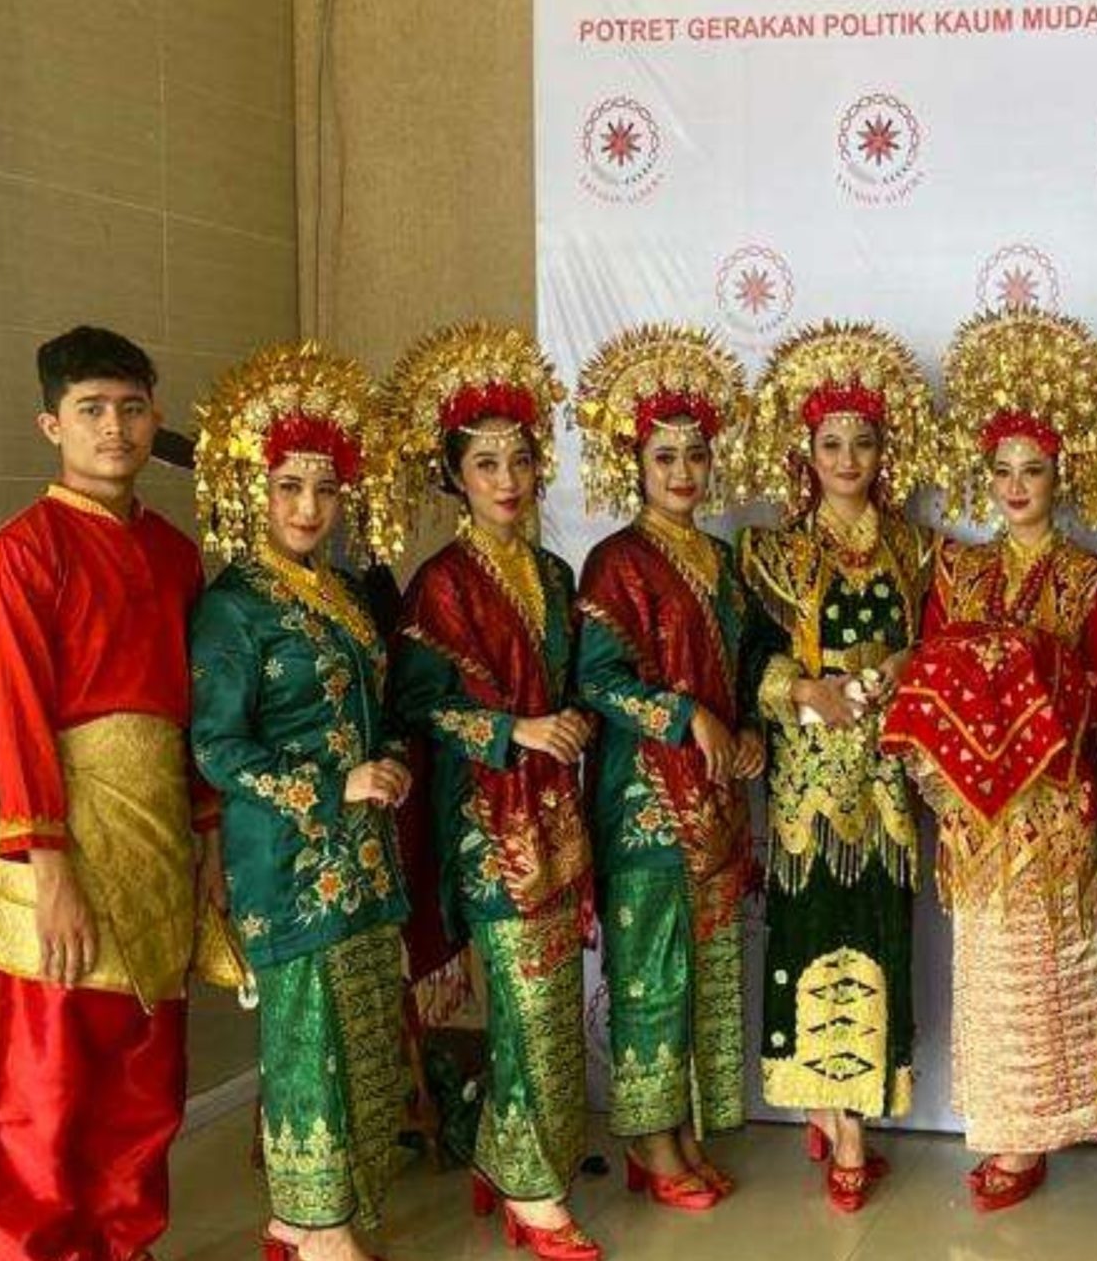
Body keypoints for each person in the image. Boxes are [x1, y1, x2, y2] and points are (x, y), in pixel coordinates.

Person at [0, 325, 232, 1261]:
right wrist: (51, 870)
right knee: (45, 1092)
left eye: (129, 408)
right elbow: (16, 724)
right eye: (90, 411)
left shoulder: (174, 555)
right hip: (59, 852)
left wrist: (207, 844)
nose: (113, 429)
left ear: (154, 417)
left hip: (158, 844)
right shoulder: (18, 554)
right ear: (52, 425)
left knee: (145, 1083)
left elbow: (193, 711)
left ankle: (127, 1245)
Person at [877, 309, 1097, 1211]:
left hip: (1051, 808)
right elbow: (932, 673)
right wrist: (943, 765)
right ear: (985, 478)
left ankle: (1035, 1135)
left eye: (1035, 469)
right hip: (972, 807)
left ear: (1061, 475)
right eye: (1003, 470)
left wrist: (1031, 669)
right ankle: (1000, 1125)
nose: (1017, 485)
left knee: (1043, 966)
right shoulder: (957, 570)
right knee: (984, 971)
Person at [378, 324, 601, 1261]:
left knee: (545, 1002)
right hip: (489, 826)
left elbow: (576, 678)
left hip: (558, 817)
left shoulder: (554, 574)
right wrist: (518, 730)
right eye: (484, 463)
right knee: (531, 1004)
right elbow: (425, 708)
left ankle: (508, 1161)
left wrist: (574, 719)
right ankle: (535, 1195)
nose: (506, 479)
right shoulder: (440, 584)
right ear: (455, 478)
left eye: (518, 460)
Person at [187, 344, 410, 1261]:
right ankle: (317, 1228)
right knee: (306, 1038)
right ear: (255, 492)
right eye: (289, 488)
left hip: (359, 856)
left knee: (356, 1037)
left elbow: (378, 709)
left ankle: (314, 1212)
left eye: (324, 490)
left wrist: (387, 760)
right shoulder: (235, 607)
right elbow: (216, 745)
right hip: (285, 865)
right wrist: (331, 784)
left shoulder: (351, 594)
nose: (309, 509)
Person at [735, 321, 940, 1213]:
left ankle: (847, 1105)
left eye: (863, 441)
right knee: (810, 930)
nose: (847, 456)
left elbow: (938, 649)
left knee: (878, 934)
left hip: (885, 786)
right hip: (808, 789)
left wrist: (903, 666)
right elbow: (746, 661)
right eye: (831, 443)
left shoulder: (917, 549)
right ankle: (843, 1123)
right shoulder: (770, 552)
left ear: (883, 451)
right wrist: (803, 691)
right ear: (805, 452)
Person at [569, 326, 764, 1209]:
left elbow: (752, 663)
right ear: (635, 464)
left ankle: (682, 1127)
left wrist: (752, 725)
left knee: (702, 971)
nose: (682, 471)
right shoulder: (617, 562)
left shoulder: (723, 564)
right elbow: (599, 678)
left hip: (716, 807)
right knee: (649, 970)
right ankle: (650, 1141)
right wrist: (689, 718)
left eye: (694, 455)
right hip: (644, 804)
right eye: (663, 455)